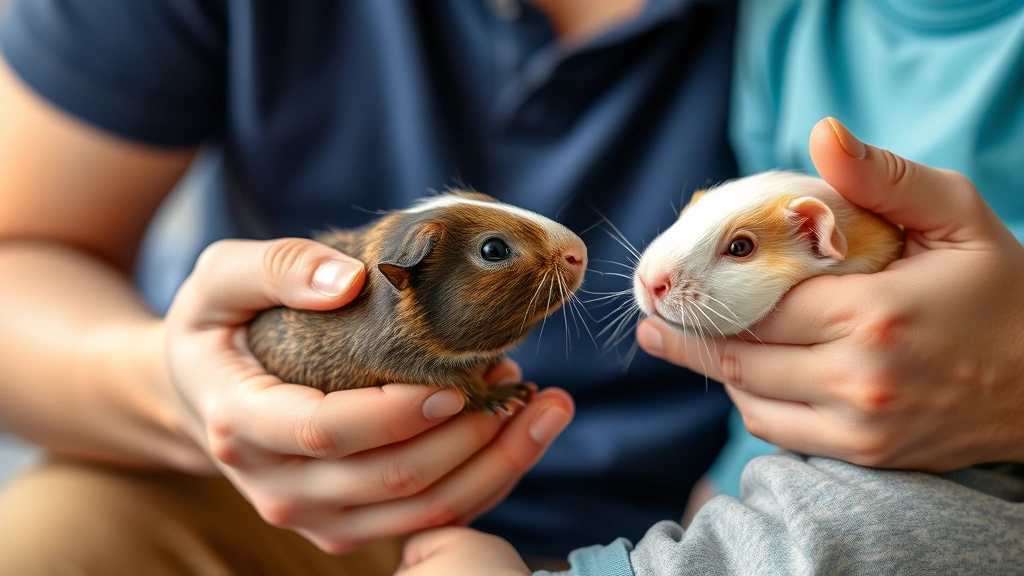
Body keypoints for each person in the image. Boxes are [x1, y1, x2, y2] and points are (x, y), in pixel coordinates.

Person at [0, 0, 738, 573]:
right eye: (491, 249)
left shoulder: (822, 29)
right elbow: (23, 250)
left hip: (671, 517)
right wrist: (175, 390)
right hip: (256, 492)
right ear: (406, 281)